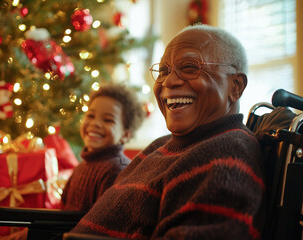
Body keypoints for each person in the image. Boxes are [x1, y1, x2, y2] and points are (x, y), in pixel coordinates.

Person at [66, 24, 265, 240]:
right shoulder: (161, 145)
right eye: (163, 71)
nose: (168, 81)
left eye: (190, 67)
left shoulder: (226, 154)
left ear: (235, 87)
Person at [61, 82, 145, 212]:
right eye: (90, 116)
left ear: (125, 134)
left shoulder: (117, 170)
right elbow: (62, 209)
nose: (95, 123)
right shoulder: (81, 167)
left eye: (108, 120)